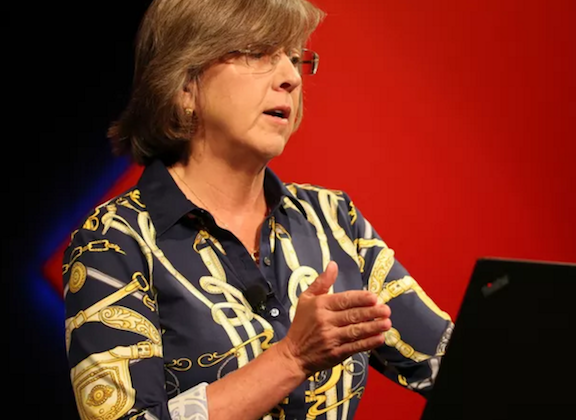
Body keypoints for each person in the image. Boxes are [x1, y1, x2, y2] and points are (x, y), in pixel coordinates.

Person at [63, 1, 454, 419]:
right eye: (258, 53)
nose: (290, 77)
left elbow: (458, 370)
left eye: (294, 59)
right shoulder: (113, 241)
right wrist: (291, 359)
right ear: (184, 84)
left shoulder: (333, 219)